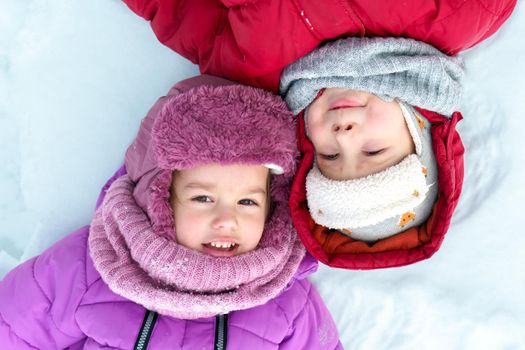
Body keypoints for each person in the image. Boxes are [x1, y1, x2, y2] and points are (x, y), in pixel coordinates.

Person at [119, 0, 516, 269]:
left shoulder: (245, 66)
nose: (344, 136)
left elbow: (174, 9)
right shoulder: (464, 13)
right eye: (374, 150)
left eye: (330, 157)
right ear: (420, 131)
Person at [0, 75, 342, 349]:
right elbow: (12, 329)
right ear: (160, 199)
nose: (227, 219)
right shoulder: (95, 267)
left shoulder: (287, 302)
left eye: (247, 202)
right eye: (203, 199)